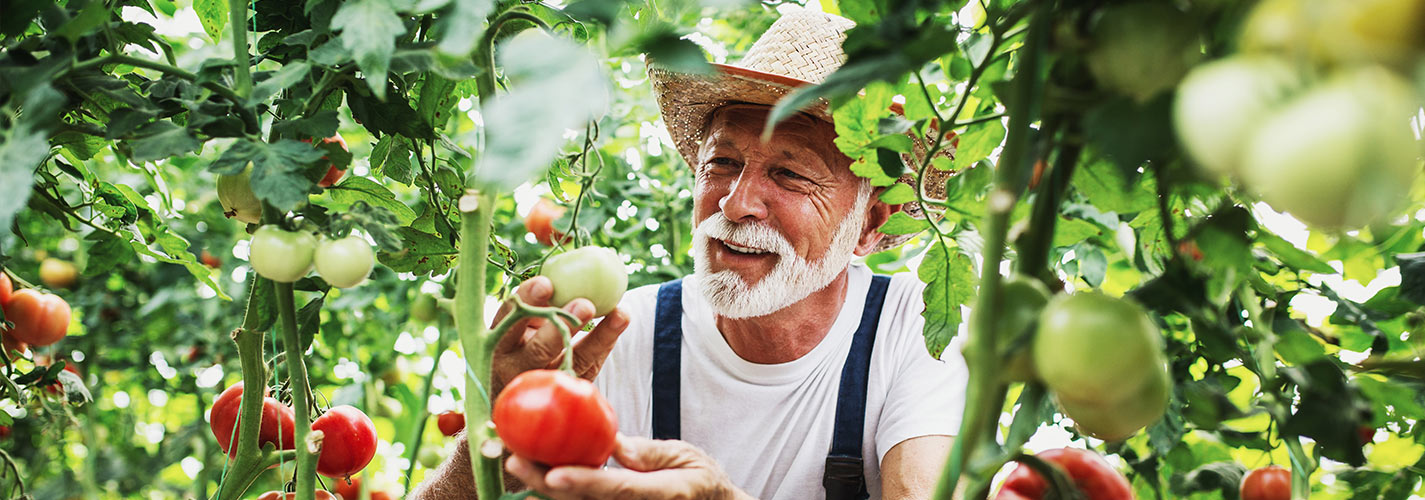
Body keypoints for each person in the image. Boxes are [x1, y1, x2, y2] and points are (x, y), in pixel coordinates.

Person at [412, 8, 967, 500]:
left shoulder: (915, 331)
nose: (736, 201)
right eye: (721, 163)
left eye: (790, 174)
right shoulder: (615, 340)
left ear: (869, 224)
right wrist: (491, 437)